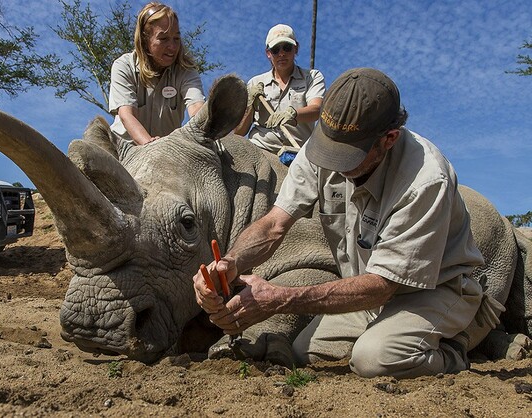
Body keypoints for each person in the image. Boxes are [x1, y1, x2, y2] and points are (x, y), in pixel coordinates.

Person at [194, 68, 504, 378]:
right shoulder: (327, 142)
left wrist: (278, 299)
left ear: (389, 139)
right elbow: (274, 224)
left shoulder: (425, 180)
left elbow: (384, 286)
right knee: (305, 351)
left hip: (431, 291)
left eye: (346, 156)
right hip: (368, 292)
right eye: (329, 148)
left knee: (374, 360)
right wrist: (231, 263)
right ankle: (392, 333)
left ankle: (457, 345)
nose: (332, 162)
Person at [108, 2, 205, 145]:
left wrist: (209, 125)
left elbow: (197, 108)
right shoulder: (124, 65)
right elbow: (127, 115)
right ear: (145, 39)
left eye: (176, 38)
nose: (172, 47)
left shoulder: (186, 71)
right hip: (124, 149)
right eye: (163, 39)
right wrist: (149, 144)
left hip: (166, 153)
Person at [235, 24, 325, 158]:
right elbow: (238, 132)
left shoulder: (312, 77)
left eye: (287, 48)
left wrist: (292, 115)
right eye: (276, 49)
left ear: (296, 49)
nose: (281, 54)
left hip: (297, 152)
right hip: (259, 150)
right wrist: (249, 105)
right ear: (268, 53)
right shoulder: (254, 83)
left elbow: (317, 110)